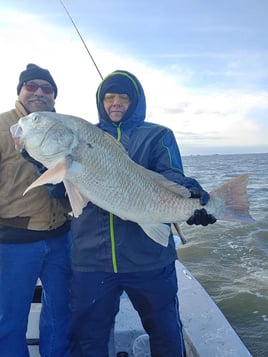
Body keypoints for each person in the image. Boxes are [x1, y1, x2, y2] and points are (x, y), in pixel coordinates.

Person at [69, 70, 216, 357]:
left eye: (123, 97)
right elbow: (59, 188)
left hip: (148, 257)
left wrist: (191, 193)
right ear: (100, 102)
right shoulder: (83, 137)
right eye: (109, 97)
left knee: (165, 333)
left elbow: (171, 173)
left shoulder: (159, 135)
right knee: (88, 338)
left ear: (135, 101)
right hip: (91, 258)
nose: (115, 103)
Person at [0, 64, 72, 357]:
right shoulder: (3, 127)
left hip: (61, 237)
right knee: (10, 321)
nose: (39, 93)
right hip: (14, 241)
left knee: (61, 314)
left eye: (47, 89)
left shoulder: (65, 130)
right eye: (31, 86)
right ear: (19, 91)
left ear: (54, 97)